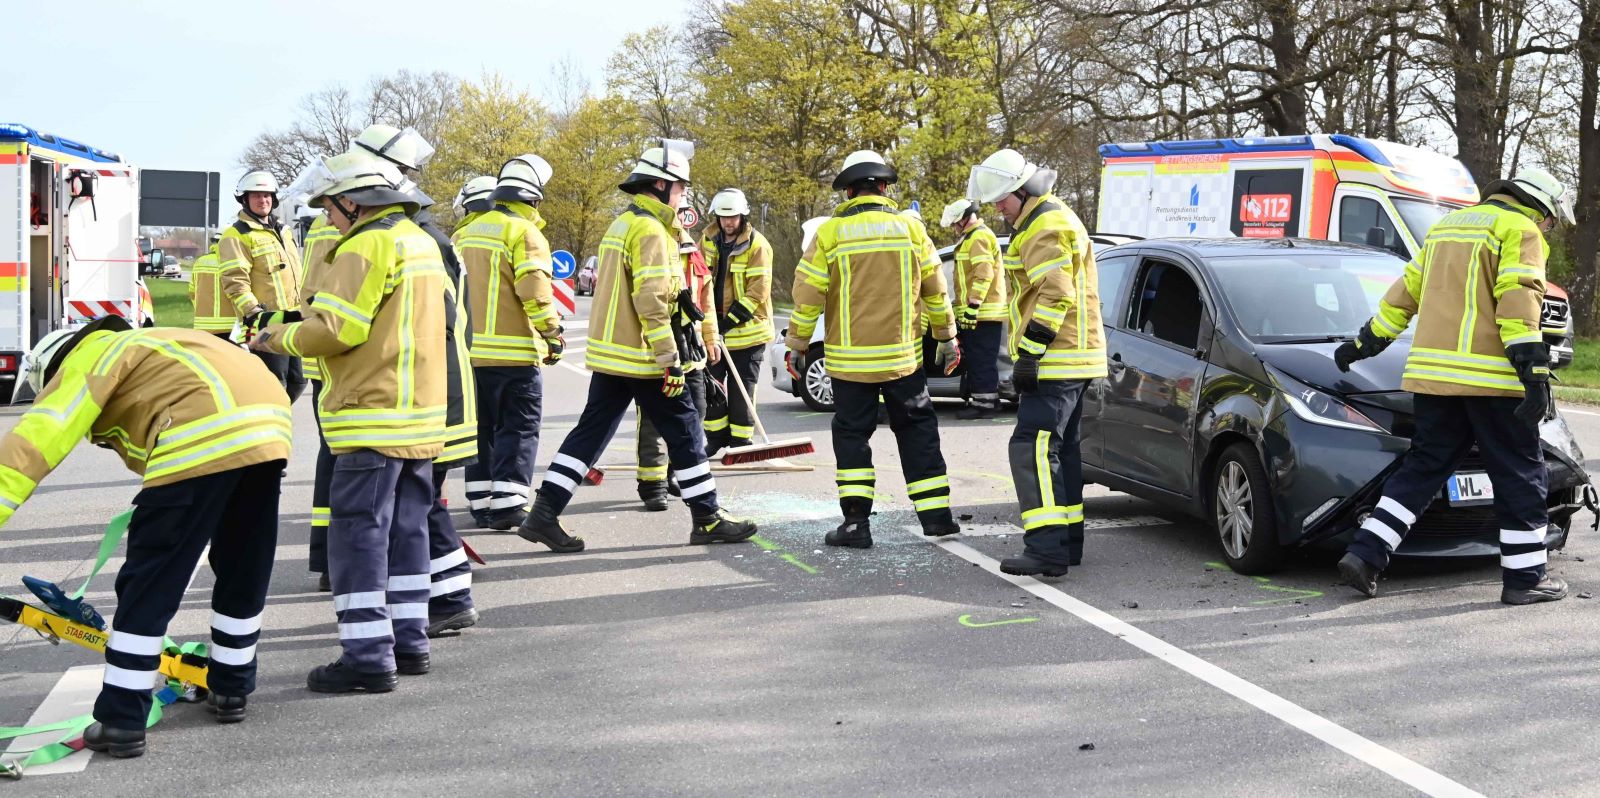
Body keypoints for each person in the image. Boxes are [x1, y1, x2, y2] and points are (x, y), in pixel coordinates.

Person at [0, 317, 291, 757]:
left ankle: (121, 719)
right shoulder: (156, 344)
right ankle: (231, 685)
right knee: (242, 563)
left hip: (200, 431)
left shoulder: (89, 358)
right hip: (268, 427)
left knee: (150, 581)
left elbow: (38, 438)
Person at [1333, 167, 1576, 605]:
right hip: (1492, 381)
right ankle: (1525, 579)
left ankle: (1366, 554)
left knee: (1423, 469)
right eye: (1550, 218)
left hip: (1434, 378)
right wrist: (1533, 371)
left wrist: (1364, 343)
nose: (1547, 227)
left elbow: (1405, 293)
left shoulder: (1447, 227)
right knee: (1520, 472)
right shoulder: (1519, 228)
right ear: (1538, 205)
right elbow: (1518, 299)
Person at [254, 150, 447, 693]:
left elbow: (334, 330)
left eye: (331, 208)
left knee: (358, 538)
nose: (329, 219)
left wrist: (273, 338)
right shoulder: (420, 241)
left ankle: (366, 656)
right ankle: (410, 643)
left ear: (353, 201)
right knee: (408, 535)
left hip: (371, 414)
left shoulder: (367, 244)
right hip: (420, 417)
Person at [520, 139, 756, 550]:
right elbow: (653, 300)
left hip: (614, 356)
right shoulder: (652, 231)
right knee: (685, 430)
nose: (683, 193)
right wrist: (671, 359)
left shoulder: (623, 224)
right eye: (680, 186)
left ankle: (544, 513)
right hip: (645, 358)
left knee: (589, 435)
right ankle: (707, 517)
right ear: (661, 186)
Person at [787, 150, 962, 549]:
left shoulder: (829, 234)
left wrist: (797, 345)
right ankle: (936, 518)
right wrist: (948, 338)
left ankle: (855, 525)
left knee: (852, 439)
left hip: (850, 366)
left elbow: (807, 297)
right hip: (903, 361)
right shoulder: (912, 230)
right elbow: (937, 291)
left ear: (848, 191)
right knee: (918, 433)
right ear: (884, 187)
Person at [967, 149, 1104, 577]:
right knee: (1060, 450)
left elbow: (1056, 292)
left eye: (1002, 201)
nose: (998, 210)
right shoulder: (1048, 217)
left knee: (1031, 448)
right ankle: (1066, 543)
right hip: (1073, 357)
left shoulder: (1044, 224)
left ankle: (1045, 547)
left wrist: (1030, 352)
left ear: (1022, 192)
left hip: (1058, 358)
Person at [455, 155, 564, 529]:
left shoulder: (463, 234)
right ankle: (507, 504)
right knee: (518, 428)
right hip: (513, 354)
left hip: (468, 355)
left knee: (481, 429)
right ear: (533, 199)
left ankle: (480, 502)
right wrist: (552, 332)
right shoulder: (524, 233)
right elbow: (534, 290)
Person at [635, 194, 716, 510]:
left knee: (696, 411)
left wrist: (710, 338)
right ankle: (652, 483)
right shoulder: (654, 247)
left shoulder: (694, 255)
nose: (680, 223)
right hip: (657, 347)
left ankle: (677, 474)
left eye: (684, 217)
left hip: (691, 350)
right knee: (654, 419)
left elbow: (704, 303)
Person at [218, 170, 305, 401]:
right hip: (264, 323)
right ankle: (268, 427)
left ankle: (275, 419)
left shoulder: (284, 231)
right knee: (274, 381)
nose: (262, 200)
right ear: (244, 199)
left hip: (294, 319)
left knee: (298, 380)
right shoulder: (237, 235)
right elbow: (235, 281)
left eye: (267, 195)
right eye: (256, 195)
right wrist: (254, 313)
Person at [700, 188, 774, 455]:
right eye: (723, 217)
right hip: (713, 332)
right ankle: (717, 438)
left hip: (748, 332)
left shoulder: (758, 246)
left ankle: (741, 442)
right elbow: (698, 280)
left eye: (733, 217)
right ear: (716, 217)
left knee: (743, 390)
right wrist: (707, 323)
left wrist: (727, 323)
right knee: (712, 387)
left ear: (743, 216)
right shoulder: (706, 241)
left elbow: (757, 291)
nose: (728, 223)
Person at [941, 198, 1007, 420]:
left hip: (983, 312)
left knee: (982, 359)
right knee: (979, 358)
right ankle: (983, 400)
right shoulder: (973, 238)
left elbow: (984, 273)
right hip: (979, 312)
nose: (953, 227)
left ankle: (985, 405)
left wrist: (973, 304)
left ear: (963, 219)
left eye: (954, 223)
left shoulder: (978, 237)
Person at [187, 232, 233, 338]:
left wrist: (202, 310)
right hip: (229, 326)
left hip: (202, 326)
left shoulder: (199, 262)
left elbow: (192, 292)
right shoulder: (232, 262)